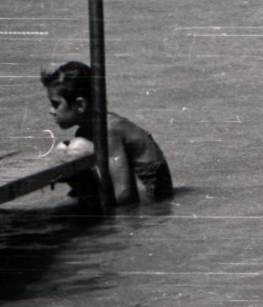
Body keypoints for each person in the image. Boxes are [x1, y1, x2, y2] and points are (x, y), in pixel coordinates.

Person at [39, 61, 174, 204]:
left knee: (76, 147)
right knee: (63, 149)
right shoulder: (86, 130)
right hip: (138, 194)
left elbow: (124, 193)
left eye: (55, 104)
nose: (51, 111)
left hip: (149, 199)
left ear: (80, 105)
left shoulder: (108, 129)